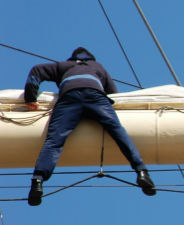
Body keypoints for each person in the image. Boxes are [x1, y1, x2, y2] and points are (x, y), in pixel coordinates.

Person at [24, 47, 156, 206]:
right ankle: (142, 172)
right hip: (96, 96)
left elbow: (37, 70)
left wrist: (31, 97)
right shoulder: (98, 67)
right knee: (118, 132)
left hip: (69, 97)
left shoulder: (64, 66)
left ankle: (37, 181)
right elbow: (114, 94)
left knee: (55, 140)